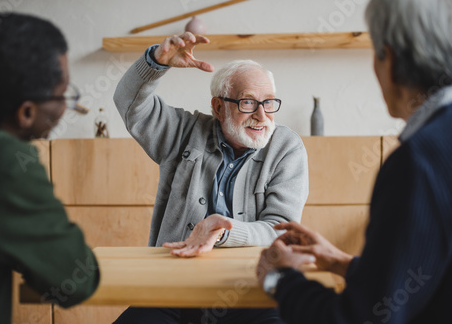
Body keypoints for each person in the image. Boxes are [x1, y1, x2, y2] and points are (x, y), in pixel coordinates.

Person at [256, 0, 452, 323]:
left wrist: (279, 278)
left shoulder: (419, 162)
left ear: (390, 60)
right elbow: (432, 276)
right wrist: (342, 262)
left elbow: (361, 317)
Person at [113, 33, 308, 323]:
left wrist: (225, 231)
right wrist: (155, 63)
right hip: (173, 290)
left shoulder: (287, 148)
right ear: (219, 107)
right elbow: (129, 102)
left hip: (251, 292)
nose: (261, 115)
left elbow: (280, 230)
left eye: (268, 103)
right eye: (247, 103)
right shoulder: (182, 132)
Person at [0, 13, 99, 324]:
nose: (66, 106)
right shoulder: (0, 161)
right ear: (26, 112)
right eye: (64, 95)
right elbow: (75, 281)